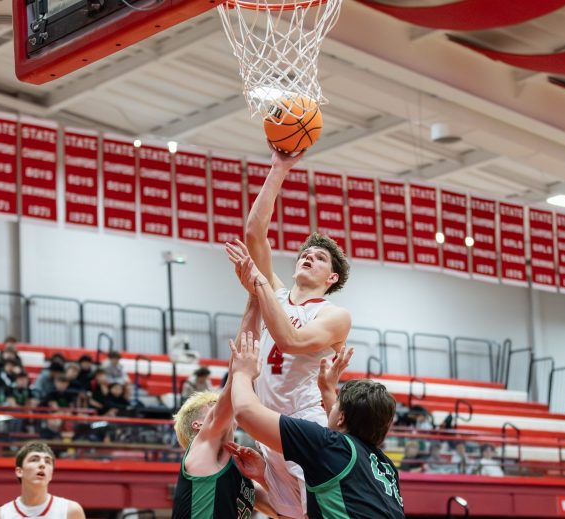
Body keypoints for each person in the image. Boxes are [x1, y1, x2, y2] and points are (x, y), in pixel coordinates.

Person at [225, 148, 351, 519]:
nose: (308, 256)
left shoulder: (334, 315)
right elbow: (254, 232)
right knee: (287, 513)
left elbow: (290, 342)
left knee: (320, 511)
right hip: (268, 426)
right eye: (305, 253)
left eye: (320, 257)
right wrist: (279, 167)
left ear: (331, 279)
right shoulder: (276, 295)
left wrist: (258, 287)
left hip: (305, 421)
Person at [229, 335, 405, 519]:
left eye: (335, 405)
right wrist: (328, 391)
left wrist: (242, 373)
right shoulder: (386, 466)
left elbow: (245, 413)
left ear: (342, 417)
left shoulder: (326, 445)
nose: (329, 407)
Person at [171, 295, 276, 519]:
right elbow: (234, 378)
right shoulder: (202, 451)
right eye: (213, 404)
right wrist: (254, 300)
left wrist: (263, 477)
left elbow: (284, 512)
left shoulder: (242, 478)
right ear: (199, 424)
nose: (221, 406)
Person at [0, 441, 85, 519]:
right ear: (19, 471)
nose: (42, 464)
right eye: (34, 460)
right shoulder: (0, 515)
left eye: (47, 461)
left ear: (51, 474)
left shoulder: (71, 511)